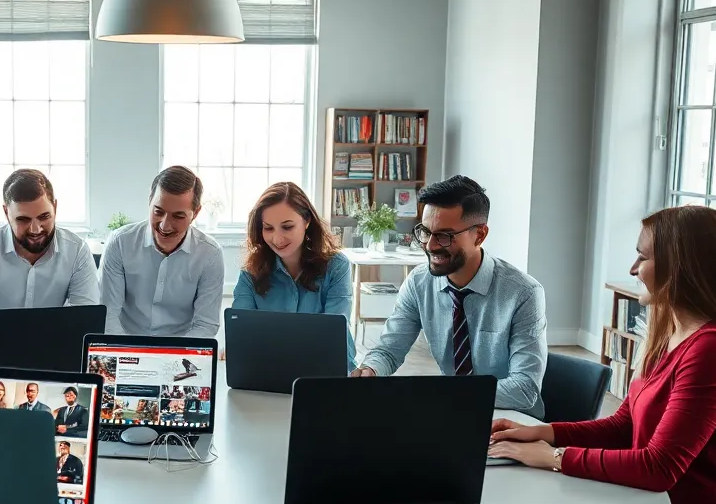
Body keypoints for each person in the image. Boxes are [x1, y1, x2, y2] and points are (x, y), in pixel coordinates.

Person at [489, 206, 716, 504]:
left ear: (682, 268)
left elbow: (659, 468)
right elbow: (624, 426)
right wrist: (543, 433)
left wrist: (555, 457)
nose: (633, 269)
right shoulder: (671, 335)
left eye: (643, 257)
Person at [351, 175, 548, 417]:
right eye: (425, 232)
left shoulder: (524, 293)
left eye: (445, 236)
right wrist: (371, 369)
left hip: (510, 419)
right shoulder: (418, 282)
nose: (431, 245)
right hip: (451, 411)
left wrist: (445, 393)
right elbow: (389, 350)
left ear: (479, 235)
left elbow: (524, 390)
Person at [0, 169, 99, 328]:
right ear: (6, 212)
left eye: (44, 217)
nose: (35, 230)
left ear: (55, 208)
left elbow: (85, 317)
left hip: (52, 344)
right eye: (23, 219)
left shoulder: (77, 251)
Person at [231, 182, 355, 370]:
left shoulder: (337, 266)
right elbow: (240, 332)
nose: (277, 239)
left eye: (287, 227)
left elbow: (331, 334)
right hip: (270, 368)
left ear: (307, 221)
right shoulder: (251, 271)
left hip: (326, 368)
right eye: (268, 228)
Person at [99, 166, 225, 338]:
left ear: (195, 213)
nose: (165, 225)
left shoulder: (210, 254)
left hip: (180, 348)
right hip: (126, 341)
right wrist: (130, 354)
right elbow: (108, 314)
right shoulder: (119, 242)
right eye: (158, 211)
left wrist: (174, 356)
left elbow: (206, 324)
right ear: (149, 200)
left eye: (178, 216)